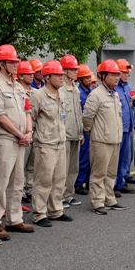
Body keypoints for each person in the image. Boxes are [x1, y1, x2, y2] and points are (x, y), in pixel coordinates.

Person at [0, 44, 34, 238]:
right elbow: (0, 117)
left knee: (17, 181)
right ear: (2, 64)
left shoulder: (19, 87)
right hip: (5, 138)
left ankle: (15, 219)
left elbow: (27, 111)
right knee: (1, 181)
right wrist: (20, 134)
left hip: (21, 139)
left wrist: (28, 132)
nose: (16, 65)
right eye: (12, 62)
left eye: (16, 61)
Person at [29, 60, 73, 226]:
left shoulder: (61, 94)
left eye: (62, 74)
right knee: (43, 180)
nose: (62, 77)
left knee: (59, 179)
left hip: (60, 143)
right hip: (45, 145)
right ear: (47, 78)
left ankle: (56, 210)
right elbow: (31, 119)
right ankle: (39, 214)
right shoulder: (38, 96)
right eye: (58, 75)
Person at [83, 59, 125, 215]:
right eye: (113, 74)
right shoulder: (96, 95)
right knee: (98, 173)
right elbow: (87, 118)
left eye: (117, 74)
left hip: (115, 139)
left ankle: (110, 199)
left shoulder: (115, 94)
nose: (117, 77)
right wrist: (93, 134)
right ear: (103, 76)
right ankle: (97, 202)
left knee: (111, 173)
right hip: (101, 141)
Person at [58, 55, 84, 209]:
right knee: (62, 168)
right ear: (65, 70)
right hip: (65, 135)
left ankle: (69, 194)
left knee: (73, 167)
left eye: (76, 69)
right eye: (73, 69)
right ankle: (59, 196)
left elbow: (78, 112)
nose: (76, 72)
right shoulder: (60, 89)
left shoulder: (76, 89)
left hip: (75, 133)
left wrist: (80, 132)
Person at [113, 59, 135, 196]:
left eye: (127, 73)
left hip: (127, 128)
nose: (126, 75)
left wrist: (132, 125)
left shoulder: (127, 87)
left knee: (124, 158)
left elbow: (129, 105)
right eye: (123, 72)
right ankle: (113, 185)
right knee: (114, 160)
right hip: (117, 129)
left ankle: (120, 182)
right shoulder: (114, 88)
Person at [16, 60, 37, 210]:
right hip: (23, 133)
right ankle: (21, 192)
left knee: (31, 164)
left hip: (34, 131)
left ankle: (29, 189)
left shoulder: (35, 92)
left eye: (32, 73)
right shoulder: (18, 91)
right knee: (21, 165)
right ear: (21, 75)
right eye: (28, 74)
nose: (31, 75)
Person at [75, 64, 94, 196]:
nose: (89, 79)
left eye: (89, 77)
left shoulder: (90, 92)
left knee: (90, 157)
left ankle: (87, 181)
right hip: (82, 129)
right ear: (80, 80)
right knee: (82, 158)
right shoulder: (79, 93)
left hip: (90, 129)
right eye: (85, 78)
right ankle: (78, 184)